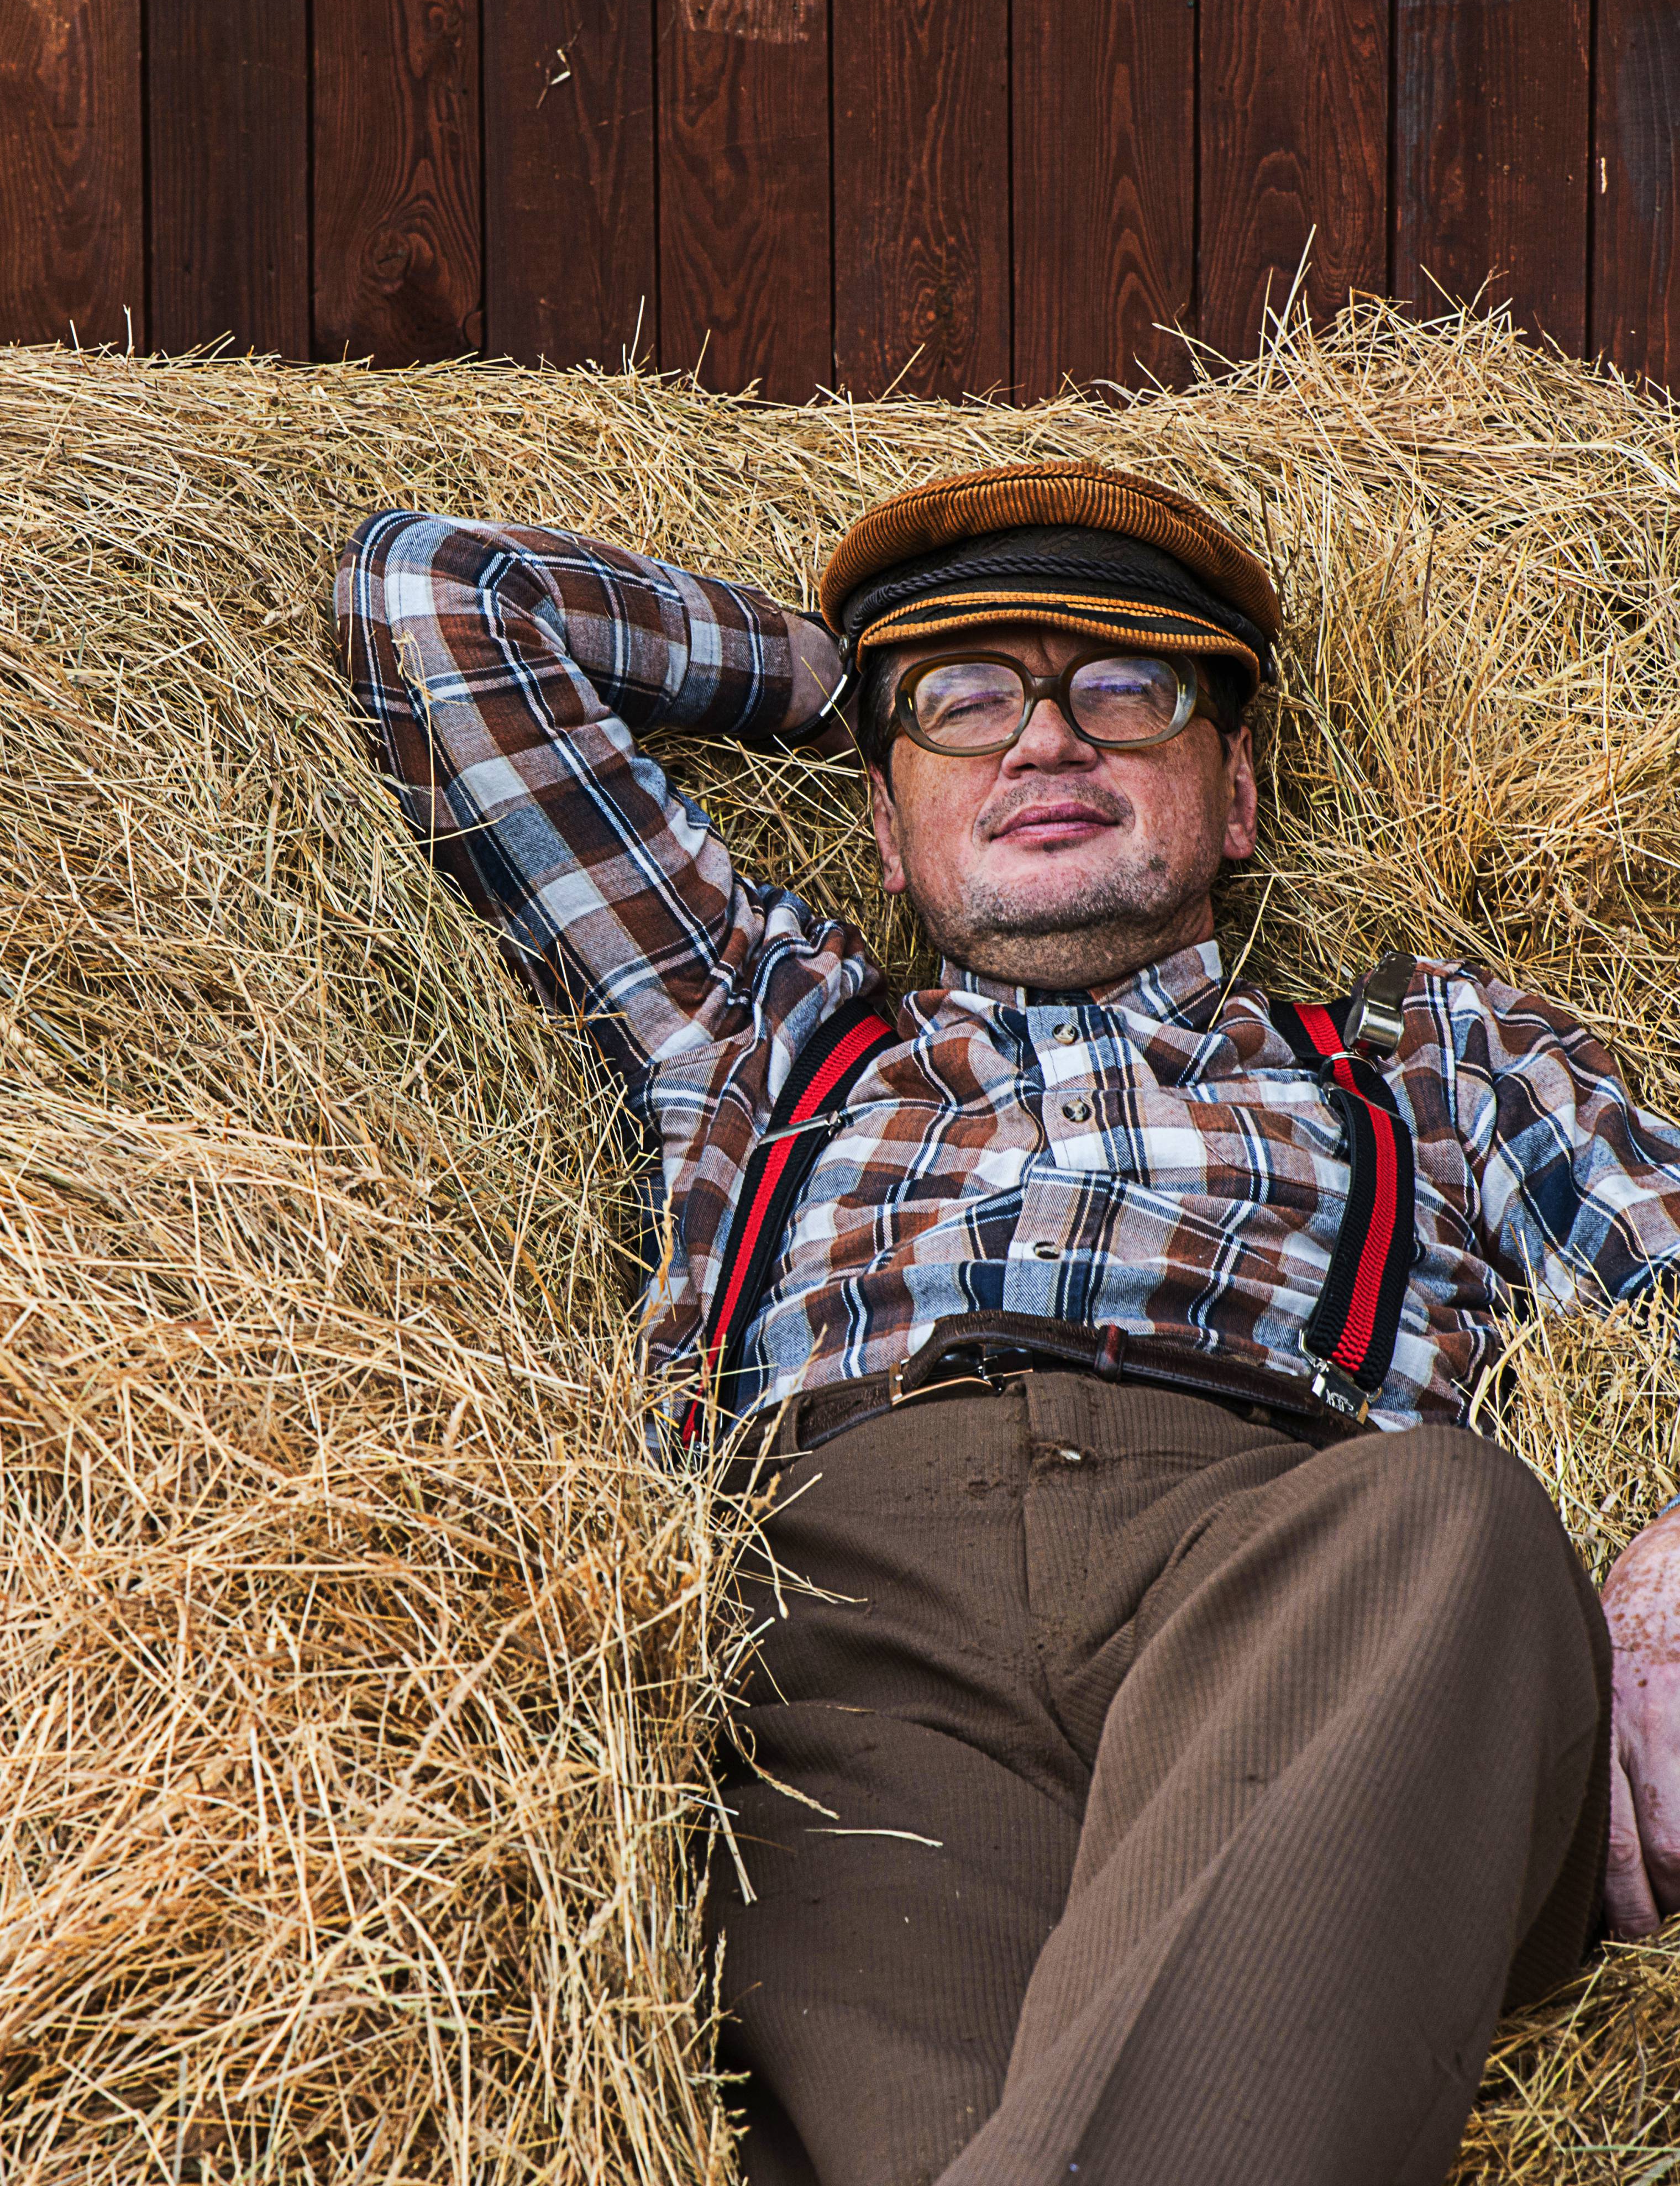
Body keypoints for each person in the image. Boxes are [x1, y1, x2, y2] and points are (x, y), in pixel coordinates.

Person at [334, 461, 1680, 2186]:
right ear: (884, 834)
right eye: (971, 708)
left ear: (1238, 789)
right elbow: (437, 600)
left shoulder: (1442, 1059)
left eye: (1126, 691)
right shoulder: (752, 1031)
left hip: (1300, 1590)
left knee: (1454, 1520)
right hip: (850, 1650)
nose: (1049, 744)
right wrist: (853, 676)